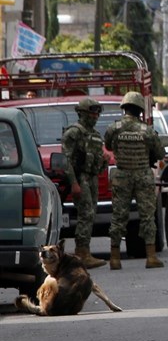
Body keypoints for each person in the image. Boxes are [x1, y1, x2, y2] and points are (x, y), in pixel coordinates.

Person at [104, 91, 166, 270]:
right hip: (143, 176)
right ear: (140, 110)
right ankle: (151, 257)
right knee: (147, 216)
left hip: (122, 175)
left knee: (118, 217)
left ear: (124, 108)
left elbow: (108, 146)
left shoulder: (114, 128)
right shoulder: (147, 130)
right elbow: (160, 153)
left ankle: (114, 258)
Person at [61, 98, 109, 269]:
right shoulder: (74, 133)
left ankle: (85, 252)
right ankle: (81, 253)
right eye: (92, 112)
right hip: (81, 178)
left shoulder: (95, 135)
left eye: (97, 112)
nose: (95, 116)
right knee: (86, 214)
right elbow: (65, 160)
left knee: (90, 214)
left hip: (92, 178)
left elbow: (98, 161)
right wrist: (74, 183)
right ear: (82, 113)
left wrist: (104, 160)